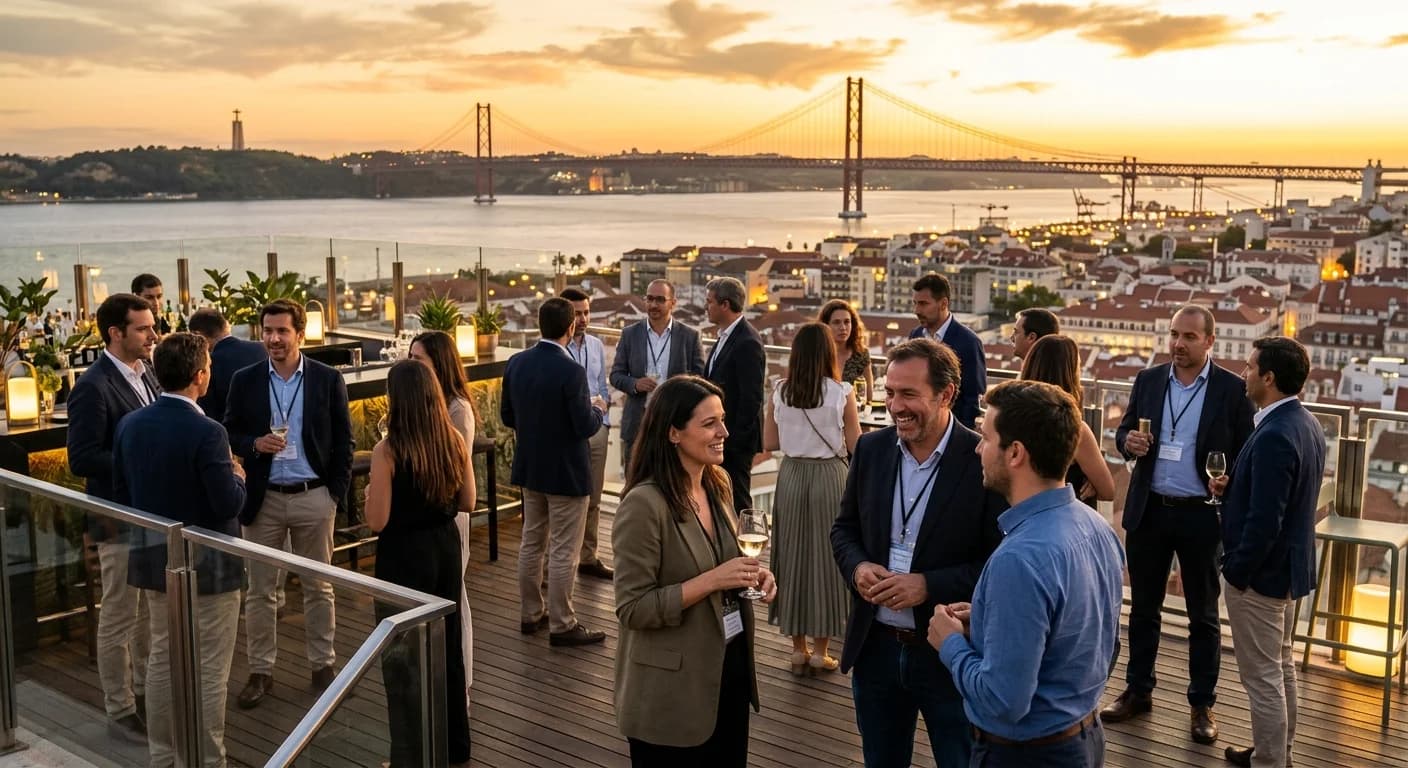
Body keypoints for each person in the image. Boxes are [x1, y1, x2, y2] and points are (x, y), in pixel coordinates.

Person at [927, 380, 1124, 767]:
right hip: (1083, 737)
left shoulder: (1019, 559)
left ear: (1015, 452)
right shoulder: (1096, 527)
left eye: (985, 437)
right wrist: (986, 622)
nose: (979, 448)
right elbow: (1101, 645)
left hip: (1026, 754)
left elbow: (1003, 702)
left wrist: (949, 643)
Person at [831, 338, 1006, 768]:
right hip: (876, 649)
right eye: (890, 393)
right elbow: (843, 531)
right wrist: (858, 569)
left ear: (946, 394)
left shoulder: (982, 459)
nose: (894, 406)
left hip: (951, 654)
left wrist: (927, 585)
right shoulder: (870, 451)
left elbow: (997, 565)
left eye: (908, 394)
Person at [1102, 304, 1254, 745]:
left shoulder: (1231, 389)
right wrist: (1126, 441)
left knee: (1203, 616)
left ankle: (1201, 703)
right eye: (1173, 335)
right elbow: (1124, 433)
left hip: (1202, 513)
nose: (1178, 344)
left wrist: (1231, 480)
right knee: (1143, 609)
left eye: (1188, 337)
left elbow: (1245, 451)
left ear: (1210, 340)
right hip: (1150, 509)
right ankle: (1137, 691)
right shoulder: (1149, 380)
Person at [613, 375, 777, 766]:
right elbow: (633, 608)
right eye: (709, 424)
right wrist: (712, 581)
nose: (724, 431)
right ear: (673, 433)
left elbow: (722, 563)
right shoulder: (643, 505)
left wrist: (754, 576)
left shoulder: (715, 483)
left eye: (722, 420)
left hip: (726, 675)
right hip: (671, 693)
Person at [113, 332, 247, 768]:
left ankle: (163, 757)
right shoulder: (209, 432)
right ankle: (209, 761)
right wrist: (239, 476)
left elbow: (121, 494)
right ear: (200, 376)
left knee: (161, 664)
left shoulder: (131, 425)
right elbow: (227, 503)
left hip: (154, 561)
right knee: (210, 672)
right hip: (209, 567)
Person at [224, 299, 354, 709]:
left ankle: (323, 665)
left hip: (313, 496)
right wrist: (253, 444)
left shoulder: (327, 378)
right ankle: (261, 671)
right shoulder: (244, 380)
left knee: (320, 587)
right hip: (263, 500)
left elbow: (344, 442)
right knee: (261, 592)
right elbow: (229, 431)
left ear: (300, 333)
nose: (274, 339)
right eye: (267, 331)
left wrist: (333, 493)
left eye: (282, 331)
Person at [1216, 337, 1324, 768]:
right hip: (1289, 570)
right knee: (1281, 667)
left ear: (1269, 378)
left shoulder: (1275, 433)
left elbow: (1266, 520)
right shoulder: (1305, 422)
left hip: (1261, 576)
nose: (1243, 374)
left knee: (1262, 678)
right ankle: (1276, 752)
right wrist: (1234, 488)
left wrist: (1236, 572)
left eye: (1249, 367)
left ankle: (1269, 762)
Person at [365, 360, 473, 768]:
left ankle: (410, 755)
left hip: (403, 556)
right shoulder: (453, 439)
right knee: (447, 649)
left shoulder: (388, 449)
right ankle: (454, 745)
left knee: (403, 657)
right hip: (443, 548)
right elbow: (467, 502)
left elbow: (377, 521)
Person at [66, 292, 159, 743]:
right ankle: (119, 709)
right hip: (115, 516)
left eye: (150, 325)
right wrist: (138, 458)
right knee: (119, 615)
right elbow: (81, 459)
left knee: (145, 616)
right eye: (142, 328)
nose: (152, 334)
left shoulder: (149, 373)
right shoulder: (92, 385)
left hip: (150, 514)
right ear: (115, 333)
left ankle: (143, 693)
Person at [501, 297, 607, 646]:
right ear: (570, 327)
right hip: (566, 473)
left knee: (532, 541)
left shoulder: (516, 363)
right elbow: (583, 426)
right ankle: (562, 623)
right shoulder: (571, 372)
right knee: (564, 549)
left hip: (531, 468)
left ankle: (530, 614)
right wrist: (596, 407)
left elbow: (507, 418)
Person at [763, 322, 859, 675]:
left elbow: (769, 442)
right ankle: (822, 650)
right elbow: (855, 444)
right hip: (829, 477)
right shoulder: (840, 392)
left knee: (790, 556)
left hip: (790, 477)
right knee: (827, 560)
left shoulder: (780, 391)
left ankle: (797, 648)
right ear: (827, 354)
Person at [408, 330, 479, 704]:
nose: (412, 365)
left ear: (439, 363)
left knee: (456, 598)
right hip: (428, 518)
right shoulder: (424, 404)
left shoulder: (456, 409)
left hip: (449, 516)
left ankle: (461, 685)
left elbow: (454, 470)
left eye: (418, 359)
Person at [610, 279, 705, 471]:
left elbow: (700, 379)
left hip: (674, 421)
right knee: (634, 479)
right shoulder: (630, 334)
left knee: (672, 480)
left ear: (673, 303)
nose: (653, 305)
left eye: (660, 300)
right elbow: (616, 375)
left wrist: (677, 388)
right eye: (650, 299)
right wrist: (635, 383)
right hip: (638, 419)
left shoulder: (689, 336)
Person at [1019, 335, 1115, 508]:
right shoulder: (1073, 429)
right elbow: (1108, 491)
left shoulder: (1009, 419)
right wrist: (1093, 483)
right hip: (1056, 520)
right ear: (1070, 374)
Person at [561, 287, 614, 580]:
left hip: (596, 429)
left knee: (593, 497)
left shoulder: (595, 344)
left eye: (586, 312)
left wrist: (604, 419)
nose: (582, 319)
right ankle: (557, 563)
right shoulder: (556, 348)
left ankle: (588, 557)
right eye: (576, 313)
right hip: (568, 433)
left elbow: (601, 385)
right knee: (567, 501)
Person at [703, 276, 766, 512]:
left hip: (735, 441)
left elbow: (751, 398)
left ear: (725, 305)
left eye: (710, 302)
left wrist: (732, 439)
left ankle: (744, 545)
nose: (706, 307)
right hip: (722, 436)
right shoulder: (726, 336)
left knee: (737, 498)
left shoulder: (747, 341)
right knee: (721, 496)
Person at [907, 272, 985, 429]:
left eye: (923, 304)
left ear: (943, 303)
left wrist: (962, 438)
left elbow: (973, 398)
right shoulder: (915, 335)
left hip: (951, 430)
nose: (916, 310)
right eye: (914, 303)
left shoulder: (969, 342)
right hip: (918, 427)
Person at [188, 308, 267, 421]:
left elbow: (208, 414)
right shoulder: (260, 349)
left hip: (229, 432)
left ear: (198, 334)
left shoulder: (207, 364)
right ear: (225, 326)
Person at [819, 299, 874, 403]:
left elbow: (868, 396)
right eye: (836, 322)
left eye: (847, 322)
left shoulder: (861, 354)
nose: (843, 328)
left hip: (854, 414)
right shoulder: (818, 354)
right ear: (826, 326)